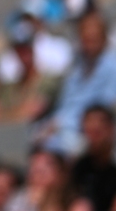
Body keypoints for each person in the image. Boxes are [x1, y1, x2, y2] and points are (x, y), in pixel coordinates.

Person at [46, 11, 116, 156]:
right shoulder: (76, 68)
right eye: (85, 39)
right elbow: (65, 104)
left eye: (93, 39)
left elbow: (106, 106)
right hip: (64, 129)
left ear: (103, 38)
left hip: (88, 132)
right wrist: (56, 122)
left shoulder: (112, 66)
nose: (88, 45)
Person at [69, 105, 116, 211]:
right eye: (90, 131)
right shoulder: (78, 165)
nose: (94, 137)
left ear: (111, 129)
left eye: (99, 131)